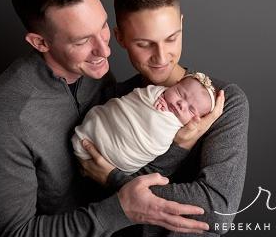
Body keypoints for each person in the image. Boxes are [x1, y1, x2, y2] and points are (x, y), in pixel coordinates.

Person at [0, 0, 210, 237]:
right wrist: (118, 211)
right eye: (82, 40)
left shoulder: (96, 71)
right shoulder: (2, 119)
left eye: (103, 26)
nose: (105, 50)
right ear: (40, 43)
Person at [78, 0, 249, 237]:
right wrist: (179, 147)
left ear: (182, 25)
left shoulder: (222, 101)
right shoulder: (114, 101)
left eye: (171, 38)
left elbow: (219, 209)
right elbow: (91, 199)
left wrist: (114, 179)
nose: (161, 56)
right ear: (120, 37)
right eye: (144, 44)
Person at [73, 72, 216, 173]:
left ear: (198, 120)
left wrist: (163, 116)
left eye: (191, 110)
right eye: (180, 93)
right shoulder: (151, 93)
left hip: (122, 158)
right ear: (174, 84)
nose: (181, 104)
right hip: (104, 128)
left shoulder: (179, 129)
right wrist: (156, 98)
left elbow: (163, 138)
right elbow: (136, 101)